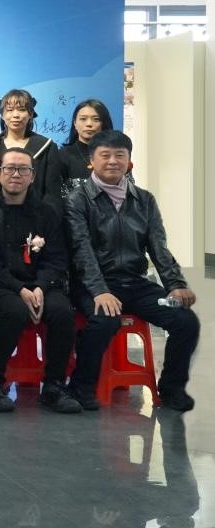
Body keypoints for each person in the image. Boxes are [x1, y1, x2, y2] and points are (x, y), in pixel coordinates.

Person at [65, 130, 199, 412]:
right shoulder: (78, 199)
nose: (113, 161)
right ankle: (81, 386)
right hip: (92, 285)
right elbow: (81, 249)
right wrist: (100, 290)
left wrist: (175, 284)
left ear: (129, 161)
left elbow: (159, 247)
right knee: (105, 320)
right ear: (92, 161)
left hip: (137, 285)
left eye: (120, 155)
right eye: (105, 155)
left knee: (185, 320)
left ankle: (171, 388)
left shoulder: (144, 200)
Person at [0, 147, 81, 414]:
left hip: (38, 284)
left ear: (32, 176)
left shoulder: (47, 213)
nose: (16, 174)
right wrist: (19, 289)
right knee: (14, 310)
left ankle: (54, 387)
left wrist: (40, 286)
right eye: (9, 169)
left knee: (62, 311)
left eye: (23, 169)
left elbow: (57, 259)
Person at [0, 89, 60, 202]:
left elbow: (52, 193)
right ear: (2, 115)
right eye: (10, 110)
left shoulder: (47, 147)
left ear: (30, 114)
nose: (16, 115)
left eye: (22, 110)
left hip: (37, 211)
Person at [50, 99, 118, 202]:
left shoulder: (117, 156)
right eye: (83, 119)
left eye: (96, 119)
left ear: (103, 123)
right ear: (75, 123)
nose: (89, 124)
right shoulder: (61, 156)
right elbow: (54, 196)